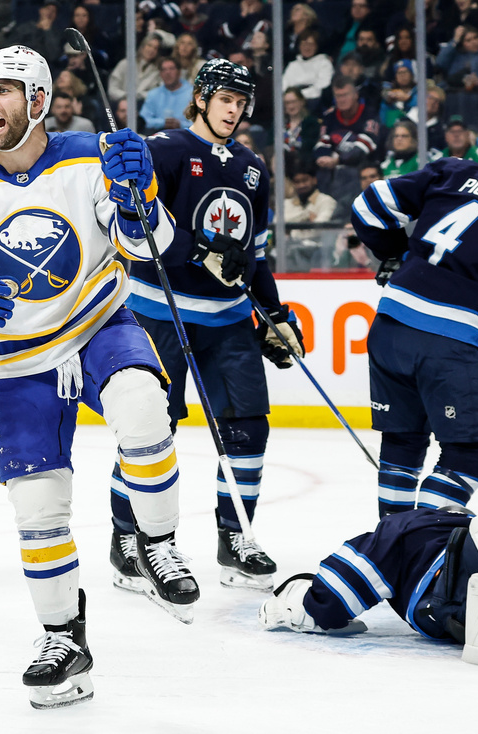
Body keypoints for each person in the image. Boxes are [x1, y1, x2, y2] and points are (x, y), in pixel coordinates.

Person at [0, 45, 197, 709]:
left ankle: (155, 545)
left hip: (98, 323)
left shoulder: (92, 156)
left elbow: (149, 244)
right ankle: (64, 641)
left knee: (142, 408)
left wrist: (139, 195)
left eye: (6, 90)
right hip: (16, 361)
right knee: (38, 510)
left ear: (38, 99)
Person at [109, 58, 304, 594]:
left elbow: (256, 256)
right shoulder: (165, 150)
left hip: (229, 321)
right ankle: (128, 536)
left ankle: (234, 537)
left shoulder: (251, 167)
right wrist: (199, 254)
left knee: (248, 425)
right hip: (159, 312)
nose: (234, 110)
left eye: (241, 103)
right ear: (200, 98)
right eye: (225, 100)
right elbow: (142, 231)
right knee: (151, 428)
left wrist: (275, 314)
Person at [351, 118, 478, 519]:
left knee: (403, 444)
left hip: (389, 325)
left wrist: (398, 256)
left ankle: (391, 547)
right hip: (447, 339)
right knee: (468, 457)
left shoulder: (452, 169)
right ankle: (419, 546)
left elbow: (368, 206)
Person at [258, 492, 478, 679]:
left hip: (463, 587)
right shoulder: (458, 526)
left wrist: (303, 605)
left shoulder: (406, 527)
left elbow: (329, 601)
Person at [314, 74, 382, 208]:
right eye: (338, 96)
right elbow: (322, 144)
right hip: (334, 169)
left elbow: (362, 149)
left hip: (360, 168)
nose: (341, 100)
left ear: (356, 95)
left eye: (345, 95)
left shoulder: (369, 115)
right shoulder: (330, 117)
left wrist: (337, 160)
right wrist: (324, 158)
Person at [140, 57, 192, 133]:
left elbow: (200, 123)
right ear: (160, 74)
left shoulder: (192, 93)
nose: (167, 73)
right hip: (158, 135)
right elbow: (143, 120)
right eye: (164, 70)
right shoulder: (153, 94)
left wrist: (181, 125)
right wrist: (163, 123)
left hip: (186, 135)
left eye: (171, 69)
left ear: (179, 72)